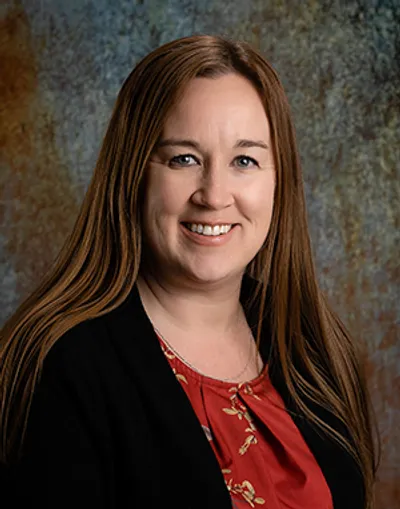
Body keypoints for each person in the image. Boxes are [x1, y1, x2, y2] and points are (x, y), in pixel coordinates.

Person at [0, 35, 377, 508]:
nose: (214, 194)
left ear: (279, 180)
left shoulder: (314, 348)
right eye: (184, 159)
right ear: (133, 175)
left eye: (245, 160)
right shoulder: (62, 366)